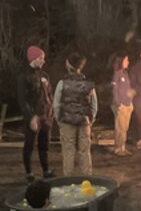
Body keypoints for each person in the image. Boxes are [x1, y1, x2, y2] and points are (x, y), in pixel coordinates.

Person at [53, 52, 97, 176]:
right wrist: (91, 120)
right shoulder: (88, 84)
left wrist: (59, 120)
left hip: (67, 121)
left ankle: (68, 178)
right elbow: (94, 105)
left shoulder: (62, 83)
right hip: (84, 121)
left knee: (68, 151)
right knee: (85, 151)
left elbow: (56, 104)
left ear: (69, 65)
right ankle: (87, 177)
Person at [17, 46, 54, 183]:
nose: (43, 61)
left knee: (44, 144)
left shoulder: (45, 75)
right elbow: (22, 99)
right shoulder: (23, 77)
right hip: (33, 116)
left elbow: (49, 93)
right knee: (29, 145)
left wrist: (51, 109)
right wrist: (31, 116)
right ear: (33, 59)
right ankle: (29, 173)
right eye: (41, 58)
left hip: (46, 116)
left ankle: (46, 170)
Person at [111, 53, 133, 156]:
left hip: (128, 105)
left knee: (125, 128)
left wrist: (130, 102)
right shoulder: (117, 74)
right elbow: (114, 90)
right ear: (121, 62)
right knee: (120, 127)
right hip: (121, 105)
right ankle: (118, 148)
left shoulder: (125, 74)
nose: (128, 62)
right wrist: (118, 103)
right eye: (126, 60)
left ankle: (123, 147)